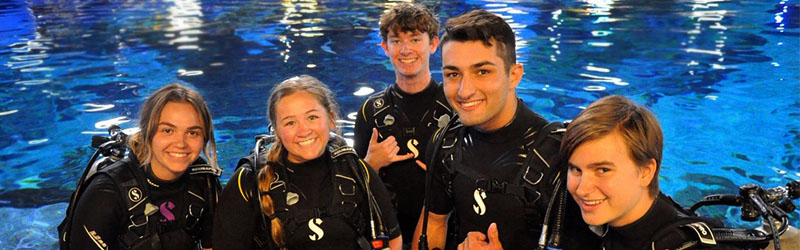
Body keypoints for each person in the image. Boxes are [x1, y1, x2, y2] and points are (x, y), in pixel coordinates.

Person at [412, 9, 597, 250]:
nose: (464, 91)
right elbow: (434, 223)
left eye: (482, 72)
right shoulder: (445, 143)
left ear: (514, 75)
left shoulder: (560, 156)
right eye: (453, 74)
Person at [213, 75, 402, 250]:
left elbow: (393, 240)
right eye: (290, 123)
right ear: (276, 132)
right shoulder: (247, 182)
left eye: (312, 117)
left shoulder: (356, 171)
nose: (304, 131)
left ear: (331, 119)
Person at [561, 95, 768, 250]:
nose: (582, 189)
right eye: (576, 169)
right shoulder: (613, 219)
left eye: (603, 170)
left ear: (646, 172)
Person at [66, 83, 222, 250]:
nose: (181, 143)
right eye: (167, 130)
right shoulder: (106, 194)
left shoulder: (203, 181)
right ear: (148, 133)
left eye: (192, 133)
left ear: (204, 138)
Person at [353, 3, 453, 248]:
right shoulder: (371, 112)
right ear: (385, 47)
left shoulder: (455, 106)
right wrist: (370, 165)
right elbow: (350, 190)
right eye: (397, 41)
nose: (406, 50)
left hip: (445, 233)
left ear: (433, 44)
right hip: (387, 236)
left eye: (415, 40)